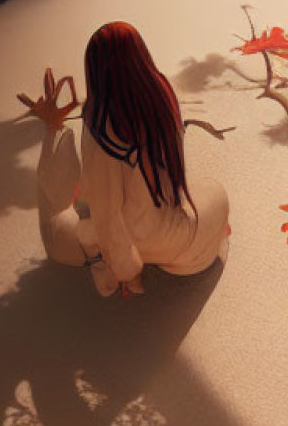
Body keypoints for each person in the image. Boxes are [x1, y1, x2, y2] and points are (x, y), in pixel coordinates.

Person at [18, 21, 230, 296]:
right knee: (214, 191)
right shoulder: (160, 92)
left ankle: (153, 258)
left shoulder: (102, 124)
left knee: (60, 233)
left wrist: (126, 271)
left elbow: (107, 214)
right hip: (168, 225)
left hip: (141, 236)